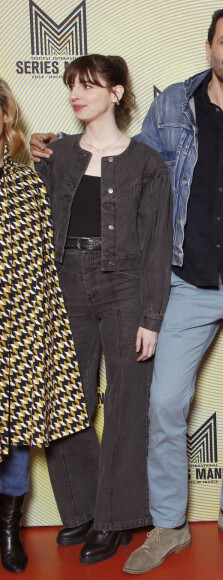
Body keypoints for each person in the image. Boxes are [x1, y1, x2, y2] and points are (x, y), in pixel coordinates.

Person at [29, 7, 223, 573]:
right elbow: (125, 160)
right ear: (209, 47)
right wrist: (61, 144)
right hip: (183, 282)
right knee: (163, 406)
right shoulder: (173, 107)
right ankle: (168, 524)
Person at [34, 55, 173, 565]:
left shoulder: (146, 163)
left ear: (115, 93)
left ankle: (116, 518)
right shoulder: (56, 154)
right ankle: (86, 510)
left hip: (125, 287)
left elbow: (158, 244)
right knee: (66, 399)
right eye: (72, 84)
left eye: (88, 85)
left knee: (125, 404)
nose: (76, 93)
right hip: (66, 282)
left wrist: (151, 317)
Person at [0, 79, 89, 573]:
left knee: (14, 438)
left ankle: (10, 533)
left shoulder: (29, 182)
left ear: (5, 118)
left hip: (19, 331)